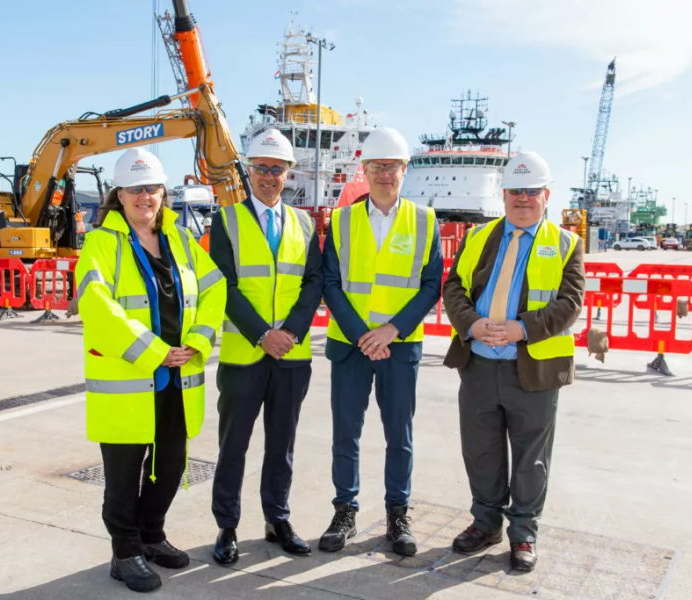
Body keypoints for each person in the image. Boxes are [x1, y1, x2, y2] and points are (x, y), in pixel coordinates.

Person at [75, 148, 226, 592]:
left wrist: (197, 342)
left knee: (170, 465)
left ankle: (151, 536)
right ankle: (124, 553)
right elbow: (97, 307)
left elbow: (214, 289)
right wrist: (154, 351)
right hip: (129, 381)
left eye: (153, 189)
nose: (145, 197)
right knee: (122, 476)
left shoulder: (180, 241)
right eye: (135, 189)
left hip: (176, 380)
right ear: (118, 196)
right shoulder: (102, 243)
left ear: (164, 194)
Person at [441, 151, 585, 572]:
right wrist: (471, 323)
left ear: (547, 196)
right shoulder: (479, 237)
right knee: (481, 451)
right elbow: (454, 287)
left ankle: (523, 534)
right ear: (503, 194)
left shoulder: (565, 243)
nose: (523, 199)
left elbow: (571, 302)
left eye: (532, 192)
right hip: (480, 363)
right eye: (516, 191)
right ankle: (485, 523)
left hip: (533, 370)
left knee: (530, 458)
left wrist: (524, 328)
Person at [318, 127, 443, 557]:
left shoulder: (425, 221)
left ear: (404, 170)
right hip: (351, 346)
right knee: (346, 434)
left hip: (400, 346)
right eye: (376, 167)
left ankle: (397, 513)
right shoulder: (341, 219)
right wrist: (362, 335)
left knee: (399, 435)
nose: (384, 174)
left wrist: (392, 330)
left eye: (392, 166)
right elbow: (330, 283)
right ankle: (345, 511)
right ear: (364, 170)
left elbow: (431, 285)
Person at [209, 129, 323, 564]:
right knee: (232, 446)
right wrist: (263, 334)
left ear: (288, 173)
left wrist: (289, 332)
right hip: (244, 355)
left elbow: (313, 284)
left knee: (282, 445)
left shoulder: (305, 224)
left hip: (291, 357)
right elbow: (226, 286)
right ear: (249, 171)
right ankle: (227, 526)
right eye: (261, 168)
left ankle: (277, 519)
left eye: (277, 169)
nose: (269, 176)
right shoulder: (226, 221)